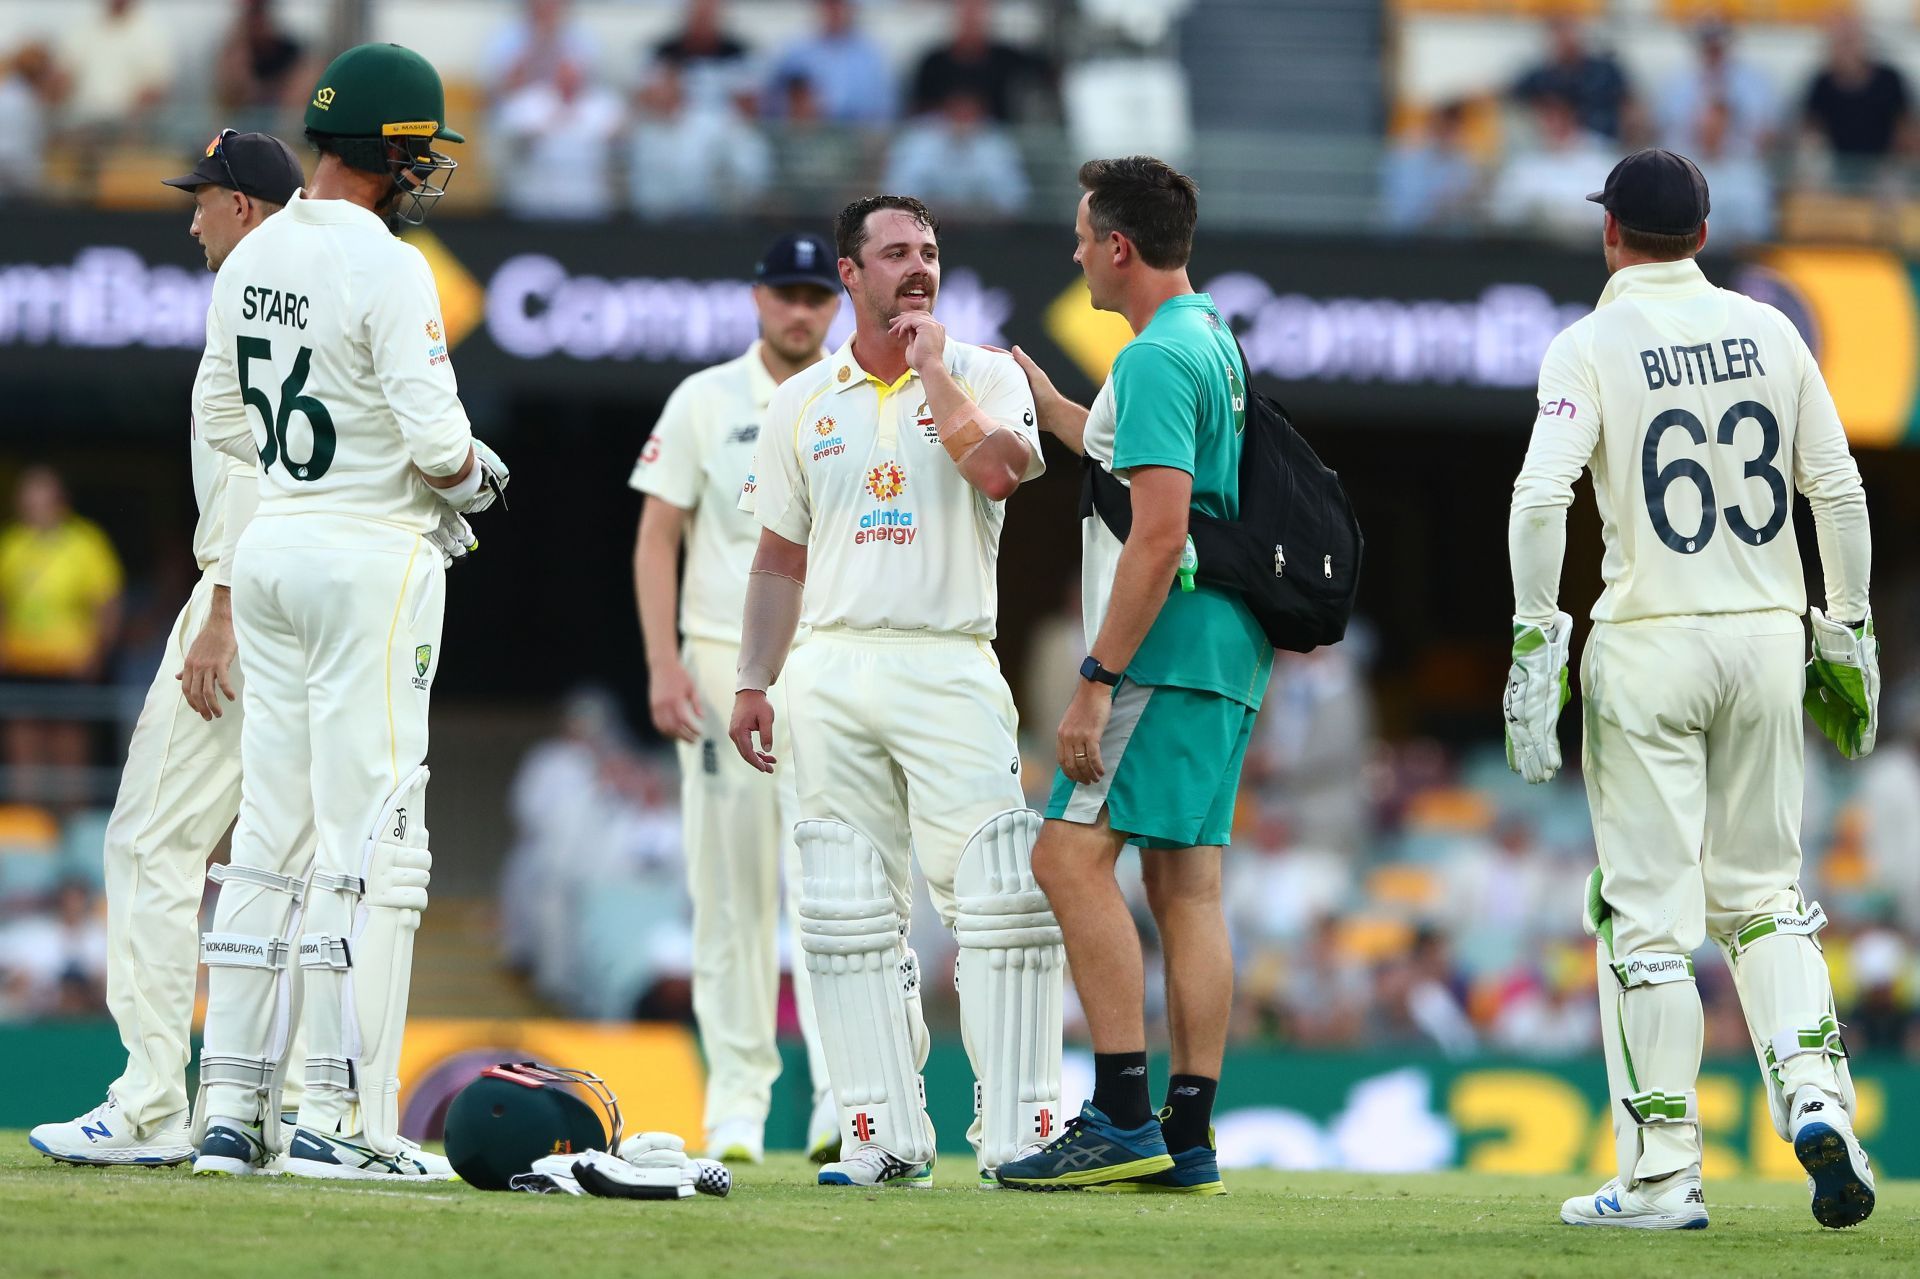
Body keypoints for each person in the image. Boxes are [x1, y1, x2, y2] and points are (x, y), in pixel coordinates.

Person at [1504, 148, 1877, 1230]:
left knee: (1647, 921)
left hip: (1650, 641)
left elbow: (1541, 498)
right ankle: (1817, 1101)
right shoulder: (1772, 330)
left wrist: (1539, 640)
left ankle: (1664, 1177)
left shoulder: (1588, 344)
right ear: (1704, 235)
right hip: (1767, 637)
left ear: (1610, 233)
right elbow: (1837, 488)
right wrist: (1844, 627)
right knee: (1765, 898)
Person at [190, 42, 505, 1182]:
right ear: (393, 154)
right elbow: (437, 444)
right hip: (370, 552)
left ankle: (229, 1108)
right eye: (421, 153)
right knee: (372, 840)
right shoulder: (387, 264)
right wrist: (481, 481)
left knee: (268, 834)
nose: (428, 170)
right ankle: (339, 1115)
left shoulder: (253, 249)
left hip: (271, 539)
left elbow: (224, 415)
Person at [728, 194, 1055, 1189]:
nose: (918, 268)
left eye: (929, 252)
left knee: (1000, 895)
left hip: (947, 656)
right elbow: (779, 559)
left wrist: (931, 373)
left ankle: (1022, 1129)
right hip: (827, 665)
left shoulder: (986, 372)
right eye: (897, 253)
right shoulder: (803, 401)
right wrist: (753, 680)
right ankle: (878, 1129)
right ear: (850, 274)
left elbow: (1002, 474)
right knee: (844, 906)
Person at [24, 131, 309, 1168]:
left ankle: (150, 1103)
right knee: (301, 860)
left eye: (203, 200)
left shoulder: (252, 297)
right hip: (333, 597)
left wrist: (221, 605)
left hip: (248, 592)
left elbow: (248, 475)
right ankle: (292, 1115)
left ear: (245, 206)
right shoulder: (330, 287)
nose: (191, 218)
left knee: (148, 843)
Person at [992, 156, 1270, 1196]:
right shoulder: (1209, 343)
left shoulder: (1157, 357)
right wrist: (1054, 404)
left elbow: (1155, 536)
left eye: (1080, 236)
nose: (1074, 252)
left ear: (1118, 246)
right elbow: (1136, 470)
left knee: (1066, 860)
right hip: (1225, 647)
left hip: (1162, 643)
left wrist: (1097, 675)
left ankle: (1116, 1111)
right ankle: (1186, 1129)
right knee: (1187, 882)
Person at [630, 232, 842, 1164]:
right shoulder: (705, 399)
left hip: (828, 658)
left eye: (814, 295)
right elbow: (656, 536)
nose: (801, 312)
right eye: (785, 293)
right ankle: (738, 1110)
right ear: (757, 298)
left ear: (836, 303)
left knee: (840, 890)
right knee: (731, 893)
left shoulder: (854, 397)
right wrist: (662, 662)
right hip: (720, 656)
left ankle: (850, 1101)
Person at [0, 467, 123, 807]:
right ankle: (31, 837)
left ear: (60, 502)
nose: (35, 507)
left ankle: (74, 836)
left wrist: (97, 656)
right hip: (22, 664)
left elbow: (108, 605)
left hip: (70, 666)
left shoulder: (86, 543)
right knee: (24, 756)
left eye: (42, 499)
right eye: (28, 499)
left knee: (70, 757)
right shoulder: (10, 544)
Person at [909, 0, 1051, 123]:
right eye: (966, 12)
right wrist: (953, 113)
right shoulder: (933, 62)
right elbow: (919, 108)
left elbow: (1046, 69)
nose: (971, 19)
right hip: (940, 132)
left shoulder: (1006, 58)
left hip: (991, 135)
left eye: (977, 12)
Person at [764, 0, 896, 127]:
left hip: (856, 139)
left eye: (840, 5)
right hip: (803, 135)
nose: (834, 10)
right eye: (829, 4)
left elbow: (883, 109)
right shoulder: (795, 50)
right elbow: (774, 100)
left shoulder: (871, 54)